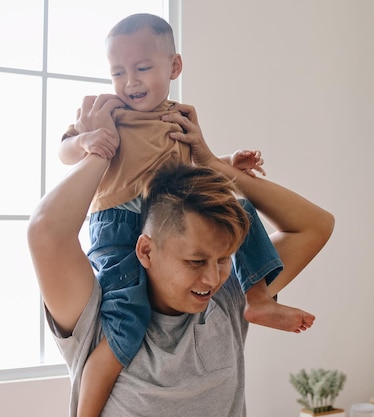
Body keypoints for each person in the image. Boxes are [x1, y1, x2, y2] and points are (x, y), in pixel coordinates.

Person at [57, 13, 315, 417]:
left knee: (238, 209)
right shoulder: (112, 110)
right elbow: (65, 149)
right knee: (126, 322)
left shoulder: (179, 117)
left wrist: (222, 162)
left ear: (174, 67)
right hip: (119, 224)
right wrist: (90, 141)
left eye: (143, 69)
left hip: (162, 214)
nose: (131, 82)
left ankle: (258, 296)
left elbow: (189, 175)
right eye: (118, 72)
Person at [28, 100, 334, 416]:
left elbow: (315, 226)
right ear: (146, 250)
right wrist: (99, 151)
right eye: (195, 261)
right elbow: (45, 232)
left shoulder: (227, 299)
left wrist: (214, 165)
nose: (213, 279)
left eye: (223, 260)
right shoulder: (100, 313)